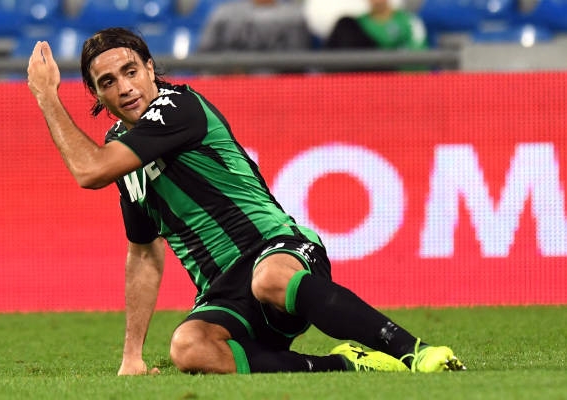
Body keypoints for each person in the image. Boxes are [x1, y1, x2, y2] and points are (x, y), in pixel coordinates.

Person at [27, 27, 465, 376]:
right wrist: (132, 356)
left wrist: (47, 96)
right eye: (108, 82)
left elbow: (89, 171)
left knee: (269, 277)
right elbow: (144, 252)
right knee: (188, 347)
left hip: (279, 251)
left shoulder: (177, 106)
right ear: (97, 96)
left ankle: (415, 351)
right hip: (225, 293)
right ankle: (342, 365)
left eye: (130, 71)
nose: (125, 87)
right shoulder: (121, 151)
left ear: (150, 69)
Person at [196, 0, 312, 52]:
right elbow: (205, 54)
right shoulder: (223, 14)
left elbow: (298, 60)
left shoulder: (293, 17)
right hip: (229, 82)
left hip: (279, 86)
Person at [325, 0, 428, 51]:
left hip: (397, 78)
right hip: (363, 78)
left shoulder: (409, 21)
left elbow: (418, 54)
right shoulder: (357, 25)